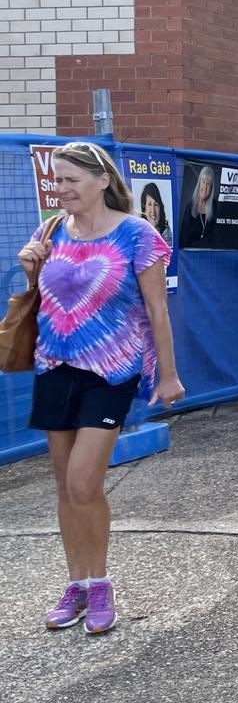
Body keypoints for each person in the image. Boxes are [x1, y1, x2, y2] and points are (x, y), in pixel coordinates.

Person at [20, 141, 185, 635]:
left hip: (112, 370)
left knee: (83, 482)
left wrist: (169, 374)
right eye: (56, 179)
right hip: (54, 365)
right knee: (64, 487)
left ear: (101, 181)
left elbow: (158, 310)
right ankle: (75, 584)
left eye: (70, 179)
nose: (60, 188)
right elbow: (43, 298)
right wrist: (32, 270)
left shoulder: (137, 234)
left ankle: (100, 585)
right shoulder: (52, 229)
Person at [179, 164, 216, 248]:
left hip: (208, 255)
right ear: (199, 183)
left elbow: (215, 237)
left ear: (211, 188)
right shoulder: (190, 207)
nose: (205, 187)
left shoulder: (214, 207)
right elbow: (183, 239)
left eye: (208, 184)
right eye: (203, 182)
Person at [138, 181, 171, 246]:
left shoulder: (167, 232)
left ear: (160, 208)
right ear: (144, 208)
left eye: (156, 204)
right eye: (149, 204)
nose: (153, 211)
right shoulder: (137, 231)